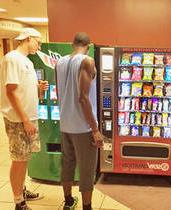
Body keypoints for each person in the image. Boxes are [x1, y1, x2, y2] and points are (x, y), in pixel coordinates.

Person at [0, 28, 49, 210]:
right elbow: (11, 92)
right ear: (28, 39)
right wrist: (25, 120)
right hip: (18, 120)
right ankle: (18, 201)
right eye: (38, 41)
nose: (39, 45)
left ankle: (21, 189)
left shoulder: (26, 61)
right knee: (19, 160)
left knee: (24, 158)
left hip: (27, 118)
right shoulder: (13, 58)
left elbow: (22, 90)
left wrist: (39, 89)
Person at [55, 32, 103, 210]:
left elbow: (59, 94)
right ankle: (87, 207)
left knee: (67, 163)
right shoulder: (87, 62)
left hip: (65, 124)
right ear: (89, 47)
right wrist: (95, 129)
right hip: (83, 127)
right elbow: (83, 98)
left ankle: (68, 201)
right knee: (87, 168)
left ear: (71, 44)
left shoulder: (59, 62)